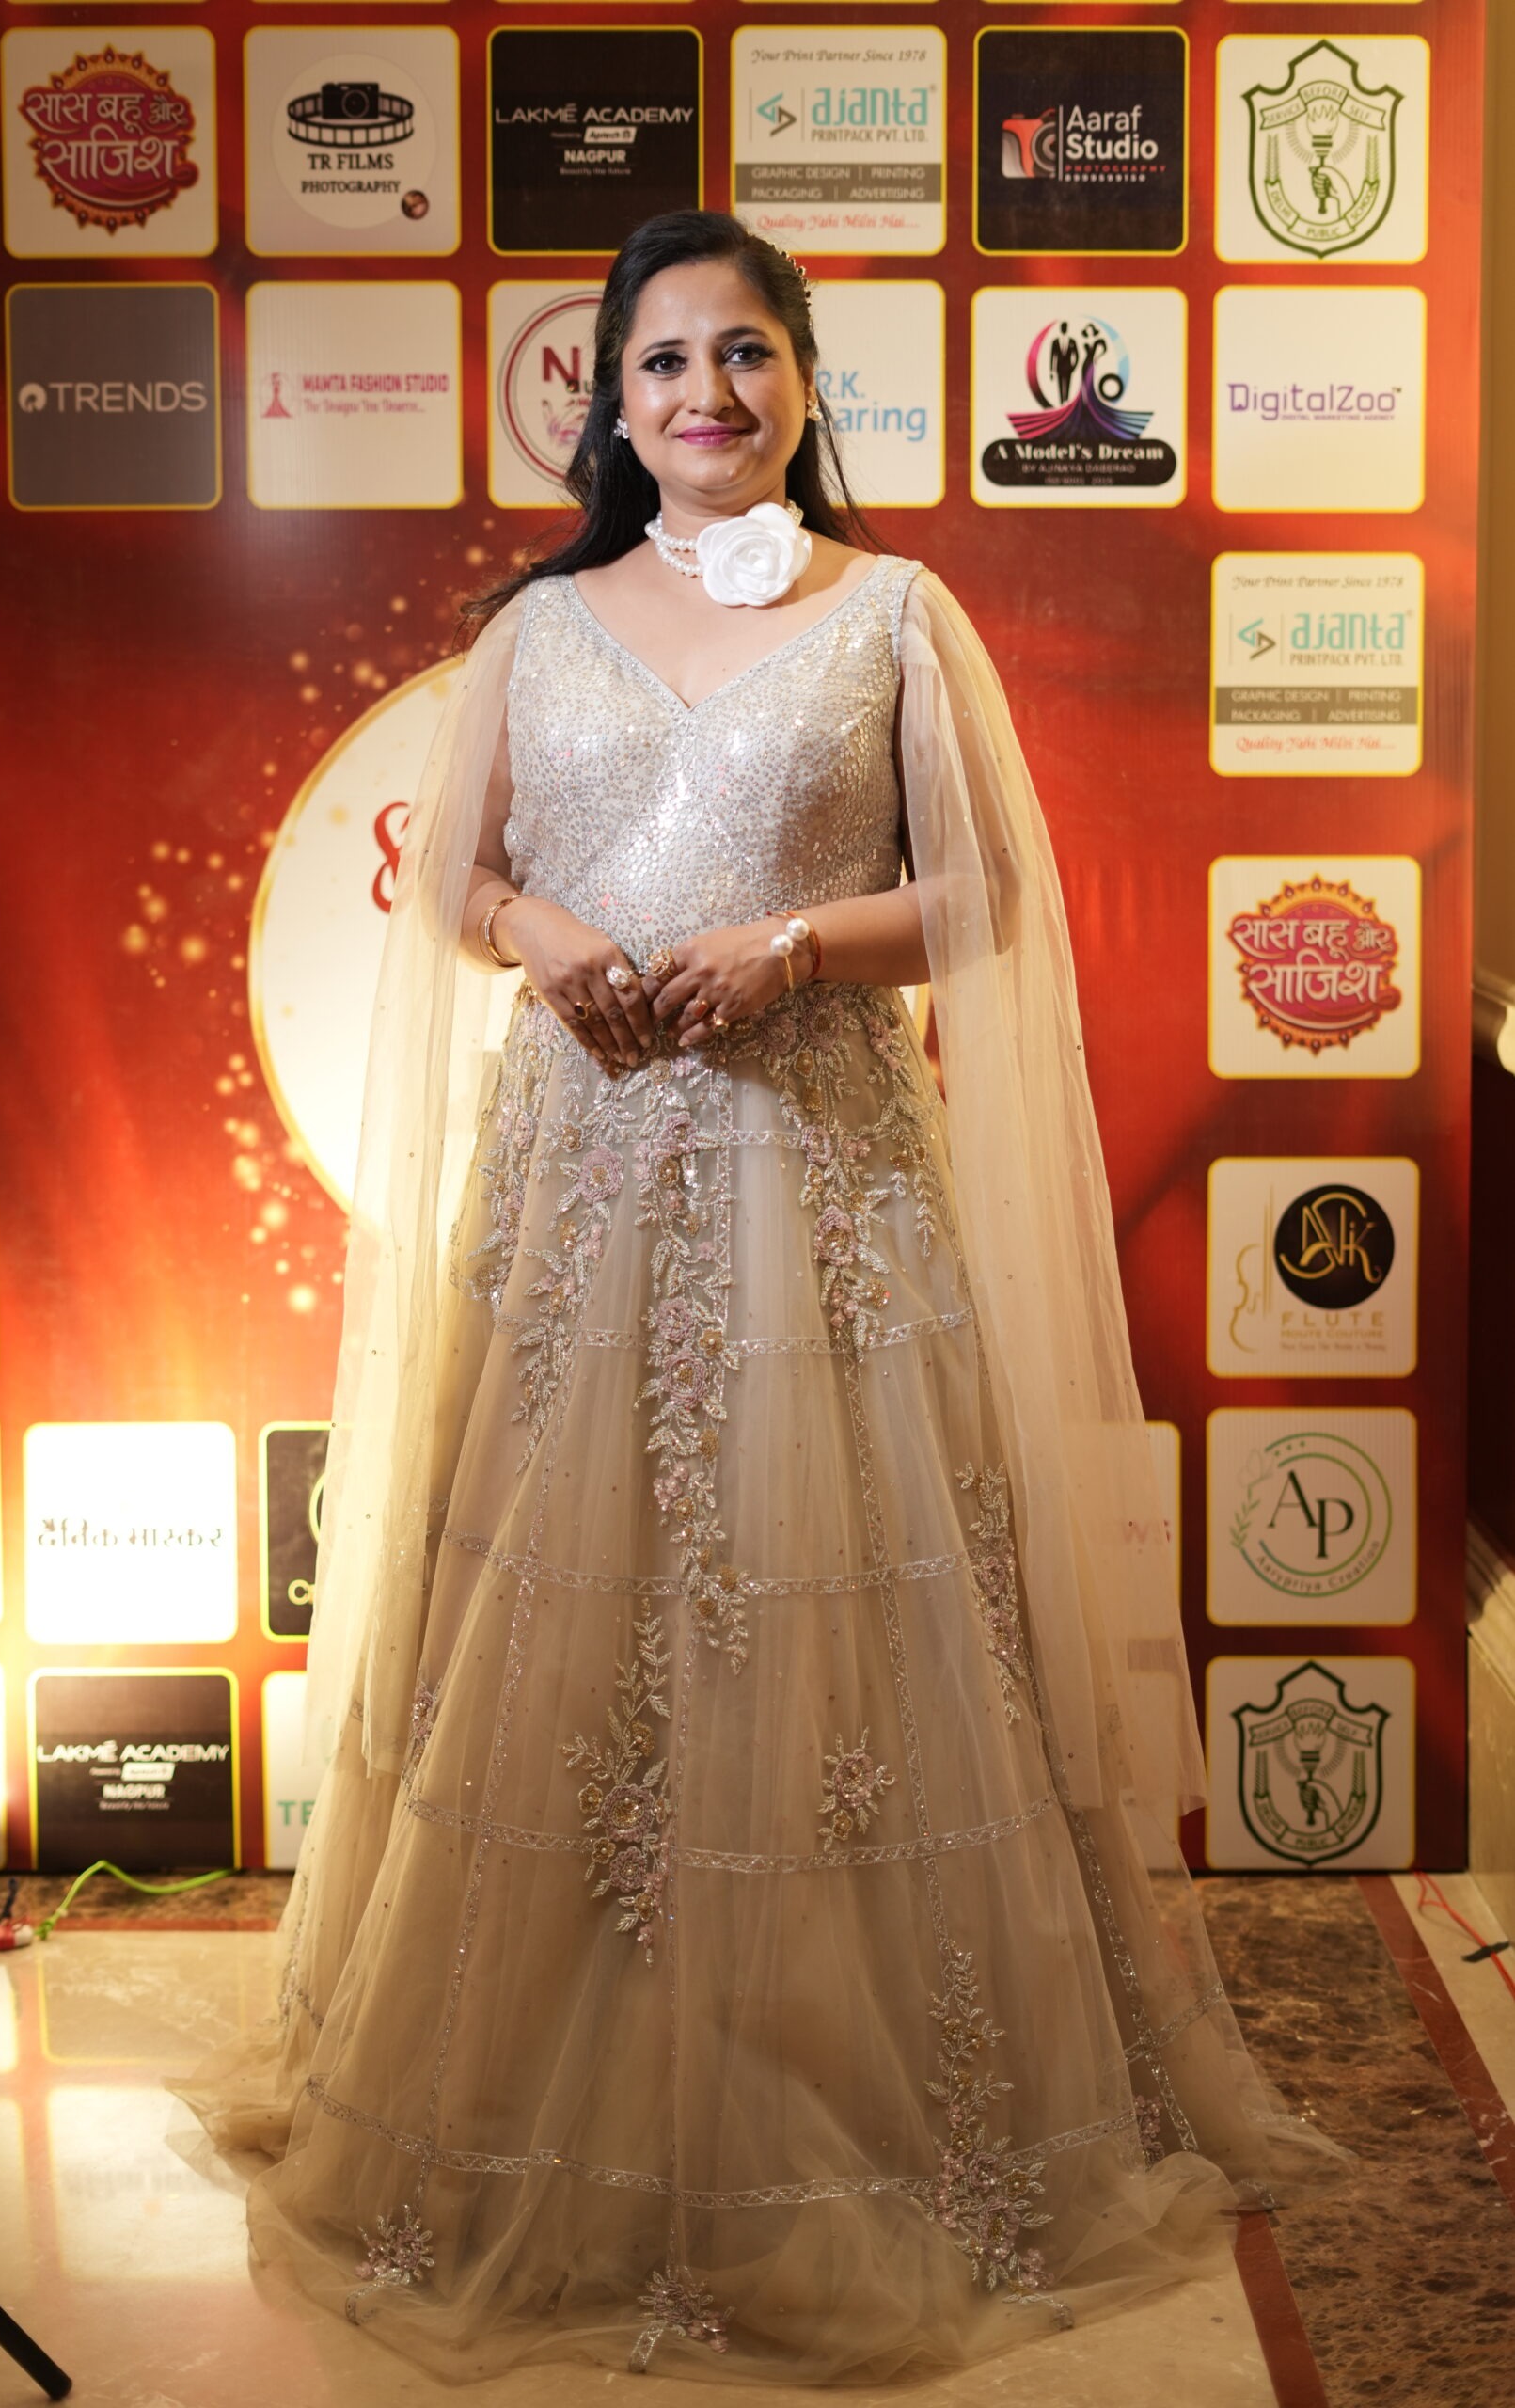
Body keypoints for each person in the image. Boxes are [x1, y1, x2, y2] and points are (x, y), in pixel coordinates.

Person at [171, 211, 1349, 2384]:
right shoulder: (537, 627)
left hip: (820, 1181)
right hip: (584, 1178)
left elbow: (982, 892)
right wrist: (541, 935)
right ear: (607, 404)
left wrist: (791, 944)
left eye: (743, 354)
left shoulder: (893, 612)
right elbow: (460, 880)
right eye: (661, 362)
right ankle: (540, 2092)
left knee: (832, 1608)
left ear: (804, 382)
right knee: (569, 1609)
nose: (703, 394)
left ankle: (876, 2107)